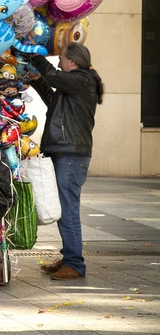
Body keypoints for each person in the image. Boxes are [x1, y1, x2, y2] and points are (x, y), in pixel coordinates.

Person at [28, 43, 104, 280]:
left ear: (72, 61)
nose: (59, 63)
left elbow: (52, 75)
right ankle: (69, 257)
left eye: (61, 59)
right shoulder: (74, 85)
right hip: (65, 152)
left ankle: (75, 263)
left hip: (71, 155)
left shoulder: (82, 79)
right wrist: (36, 80)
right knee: (64, 207)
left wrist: (34, 56)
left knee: (68, 208)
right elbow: (52, 98)